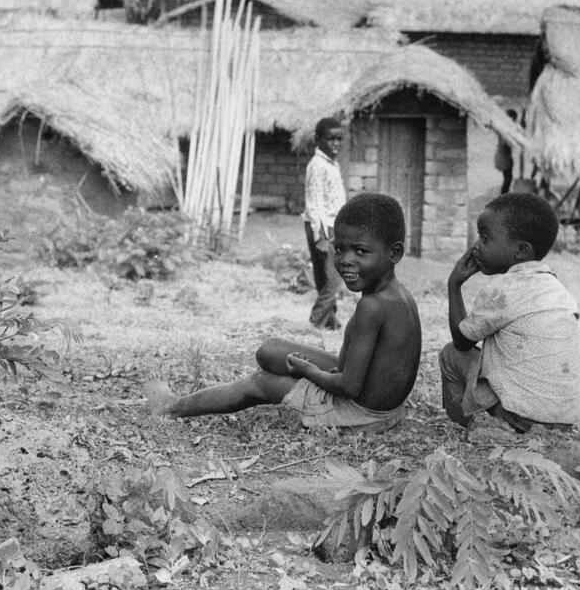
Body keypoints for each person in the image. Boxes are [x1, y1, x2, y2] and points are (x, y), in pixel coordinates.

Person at [146, 194, 421, 433]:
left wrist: (308, 371)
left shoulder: (371, 307)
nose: (346, 260)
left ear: (394, 253)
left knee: (260, 383)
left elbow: (348, 387)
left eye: (360, 251)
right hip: (383, 406)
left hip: (359, 414)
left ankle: (172, 409)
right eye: (339, 248)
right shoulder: (400, 296)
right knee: (271, 350)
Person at [440, 192, 580, 433]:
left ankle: (471, 426)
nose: (476, 246)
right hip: (565, 421)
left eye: (485, 238)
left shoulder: (502, 290)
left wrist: (454, 285)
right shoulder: (559, 291)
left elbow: (462, 342)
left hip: (521, 418)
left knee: (450, 355)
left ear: (520, 251)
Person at [304, 117, 348, 330]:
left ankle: (330, 322)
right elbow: (314, 204)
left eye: (339, 139)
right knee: (334, 279)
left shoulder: (332, 163)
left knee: (326, 278)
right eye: (331, 139)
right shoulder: (317, 165)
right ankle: (314, 323)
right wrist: (319, 236)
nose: (336, 144)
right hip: (322, 228)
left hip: (333, 226)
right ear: (318, 139)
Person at [494, 108, 519, 195]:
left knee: (508, 178)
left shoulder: (503, 127)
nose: (515, 122)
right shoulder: (505, 130)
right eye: (514, 119)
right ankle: (503, 198)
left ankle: (504, 196)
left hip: (503, 156)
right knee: (508, 178)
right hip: (504, 158)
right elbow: (506, 142)